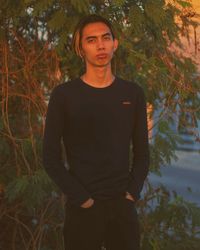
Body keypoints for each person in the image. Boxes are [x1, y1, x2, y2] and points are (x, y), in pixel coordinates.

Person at [43, 14, 149, 250]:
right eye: (91, 40)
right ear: (81, 49)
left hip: (122, 207)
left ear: (115, 43)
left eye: (106, 38)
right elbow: (50, 157)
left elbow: (142, 153)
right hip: (83, 209)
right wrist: (83, 199)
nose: (100, 45)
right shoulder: (64, 96)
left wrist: (131, 193)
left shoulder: (132, 94)